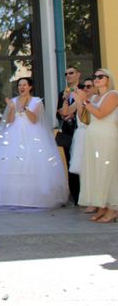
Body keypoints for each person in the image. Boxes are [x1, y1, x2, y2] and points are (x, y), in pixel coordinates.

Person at [0, 77, 69, 210]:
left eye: (24, 85)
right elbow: (10, 121)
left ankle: (35, 198)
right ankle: (10, 197)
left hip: (32, 134)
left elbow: (34, 120)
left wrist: (25, 108)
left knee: (32, 162)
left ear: (30, 87)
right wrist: (12, 108)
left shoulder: (36, 101)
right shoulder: (13, 101)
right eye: (19, 85)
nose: (21, 87)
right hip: (14, 133)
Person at [77, 69, 118, 223]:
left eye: (101, 76)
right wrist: (81, 101)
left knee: (108, 171)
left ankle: (113, 208)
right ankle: (102, 205)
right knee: (96, 171)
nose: (96, 79)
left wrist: (86, 101)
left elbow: (101, 113)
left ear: (108, 79)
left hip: (107, 136)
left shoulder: (113, 95)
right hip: (93, 136)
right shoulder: (94, 97)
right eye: (95, 77)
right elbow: (84, 119)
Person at [67, 78, 96, 212]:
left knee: (94, 169)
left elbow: (88, 119)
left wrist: (81, 101)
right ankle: (89, 199)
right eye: (84, 86)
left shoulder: (97, 100)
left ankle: (96, 201)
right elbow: (65, 112)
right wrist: (66, 99)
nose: (86, 89)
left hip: (92, 135)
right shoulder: (82, 101)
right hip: (81, 135)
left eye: (89, 86)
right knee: (83, 171)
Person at [56, 66, 81, 204]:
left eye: (71, 73)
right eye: (66, 74)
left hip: (82, 130)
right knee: (71, 163)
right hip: (67, 133)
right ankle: (76, 197)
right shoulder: (63, 93)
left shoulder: (84, 89)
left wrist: (73, 114)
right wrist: (62, 114)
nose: (68, 76)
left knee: (83, 163)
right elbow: (57, 114)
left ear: (78, 74)